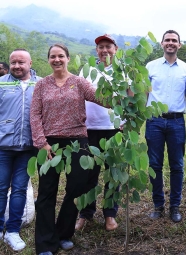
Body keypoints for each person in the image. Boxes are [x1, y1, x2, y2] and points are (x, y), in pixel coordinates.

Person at [30, 43, 107, 255]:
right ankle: (45, 243)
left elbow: (101, 98)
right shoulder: (42, 85)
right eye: (53, 56)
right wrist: (42, 143)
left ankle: (63, 233)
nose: (57, 60)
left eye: (61, 56)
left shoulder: (79, 82)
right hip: (50, 144)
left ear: (68, 58)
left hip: (77, 141)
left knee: (76, 187)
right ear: (48, 60)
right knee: (47, 192)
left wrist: (127, 95)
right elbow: (35, 115)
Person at [75, 34, 120, 232]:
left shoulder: (124, 72)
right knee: (88, 175)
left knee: (112, 174)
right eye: (101, 47)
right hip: (90, 130)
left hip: (114, 130)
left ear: (115, 49)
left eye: (108, 46)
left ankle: (110, 215)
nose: (105, 50)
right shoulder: (87, 72)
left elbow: (132, 99)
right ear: (96, 51)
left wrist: (127, 124)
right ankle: (85, 214)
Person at [145, 30, 186, 223]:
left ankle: (175, 206)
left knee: (177, 165)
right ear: (161, 44)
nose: (170, 43)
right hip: (154, 120)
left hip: (176, 121)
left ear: (179, 45)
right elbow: (144, 95)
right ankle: (158, 205)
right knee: (154, 164)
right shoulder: (151, 66)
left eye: (174, 40)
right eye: (167, 40)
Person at [0, 49, 40, 251]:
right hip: (3, 147)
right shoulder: (1, 83)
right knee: (0, 188)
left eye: (21, 62)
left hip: (28, 148)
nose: (17, 66)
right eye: (13, 62)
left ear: (30, 63)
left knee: (19, 189)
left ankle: (13, 231)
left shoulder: (40, 84)